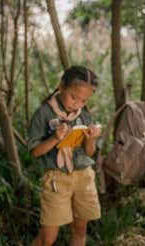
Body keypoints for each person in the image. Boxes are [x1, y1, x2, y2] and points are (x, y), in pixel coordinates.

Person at [28, 66, 101, 246]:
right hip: (56, 179)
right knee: (48, 238)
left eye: (83, 101)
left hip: (83, 176)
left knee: (79, 230)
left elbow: (89, 152)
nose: (76, 104)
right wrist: (55, 138)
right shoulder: (44, 113)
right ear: (61, 86)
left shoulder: (83, 114)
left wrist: (91, 139)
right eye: (73, 97)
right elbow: (34, 151)